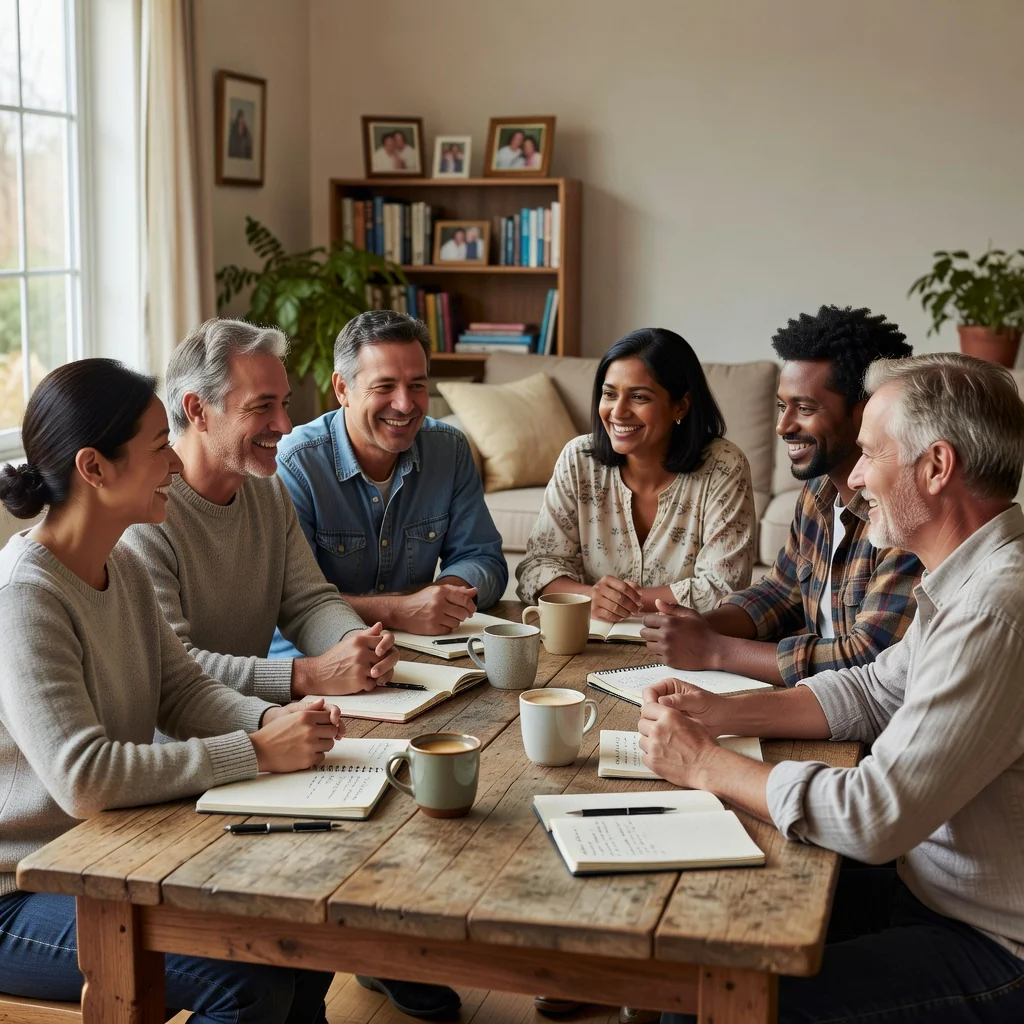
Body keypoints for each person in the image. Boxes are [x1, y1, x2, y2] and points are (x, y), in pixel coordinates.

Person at [646, 353, 1024, 1024]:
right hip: (926, 889)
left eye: (871, 454)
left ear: (937, 468)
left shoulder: (996, 609)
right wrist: (722, 709)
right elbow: (877, 689)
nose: (852, 475)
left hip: (993, 947)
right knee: (687, 950)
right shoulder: (972, 577)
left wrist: (706, 763)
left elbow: (876, 816)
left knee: (699, 1003)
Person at [0, 359, 340, 1022]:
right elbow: (83, 777)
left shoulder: (120, 562)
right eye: (161, 448)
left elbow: (182, 692)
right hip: (18, 889)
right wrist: (258, 751)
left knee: (302, 931)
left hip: (108, 854)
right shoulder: (24, 597)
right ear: (95, 468)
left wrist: (281, 721)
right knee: (246, 983)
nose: (179, 467)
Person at [122, 318, 400, 707]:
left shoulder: (267, 489)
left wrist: (356, 644)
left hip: (261, 719)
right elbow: (175, 668)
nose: (285, 425)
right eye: (262, 406)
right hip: (184, 746)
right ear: (198, 409)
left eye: (283, 404)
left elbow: (308, 602)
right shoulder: (144, 516)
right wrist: (309, 675)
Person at [640, 306, 922, 685]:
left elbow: (869, 658)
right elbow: (782, 590)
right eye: (781, 406)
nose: (782, 426)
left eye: (804, 408)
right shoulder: (817, 489)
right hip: (811, 695)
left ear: (865, 412)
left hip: (857, 720)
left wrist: (714, 649)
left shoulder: (901, 513)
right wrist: (702, 626)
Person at [273, 309, 507, 642]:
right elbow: (292, 601)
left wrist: (441, 598)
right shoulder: (296, 464)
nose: (404, 404)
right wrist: (400, 610)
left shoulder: (449, 448)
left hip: (423, 646)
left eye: (417, 385)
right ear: (342, 388)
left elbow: (483, 559)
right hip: (319, 655)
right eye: (385, 386)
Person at [516, 328, 756, 619]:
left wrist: (620, 601)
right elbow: (536, 567)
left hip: (686, 644)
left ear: (680, 406)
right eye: (609, 394)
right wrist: (592, 597)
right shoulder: (578, 458)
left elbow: (724, 588)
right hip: (593, 640)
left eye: (639, 397)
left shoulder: (724, 464)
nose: (618, 412)